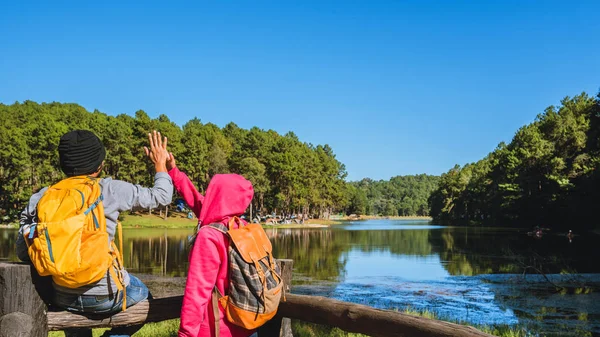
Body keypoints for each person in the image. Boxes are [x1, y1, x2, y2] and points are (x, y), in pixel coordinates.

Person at [16, 130, 174, 337]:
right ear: (99, 165)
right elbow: (162, 196)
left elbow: (22, 251)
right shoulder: (110, 189)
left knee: (74, 313)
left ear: (63, 164)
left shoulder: (43, 196)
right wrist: (160, 165)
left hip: (62, 296)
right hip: (105, 296)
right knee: (145, 294)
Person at [166, 154, 255, 337]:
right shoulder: (246, 229)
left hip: (215, 329)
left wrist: (186, 333)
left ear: (219, 196)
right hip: (246, 325)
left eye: (212, 192)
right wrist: (173, 172)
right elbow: (199, 203)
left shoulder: (210, 235)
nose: (208, 196)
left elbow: (197, 292)